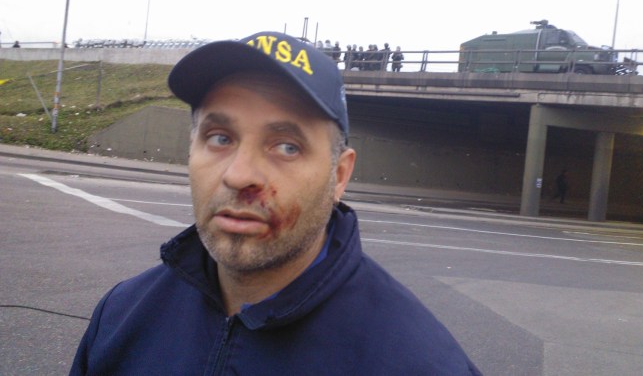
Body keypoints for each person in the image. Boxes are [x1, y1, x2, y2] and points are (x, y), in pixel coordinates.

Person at [69, 31, 481, 375]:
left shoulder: (419, 362)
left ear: (339, 176)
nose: (239, 176)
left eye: (287, 146)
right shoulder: (122, 316)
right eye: (220, 138)